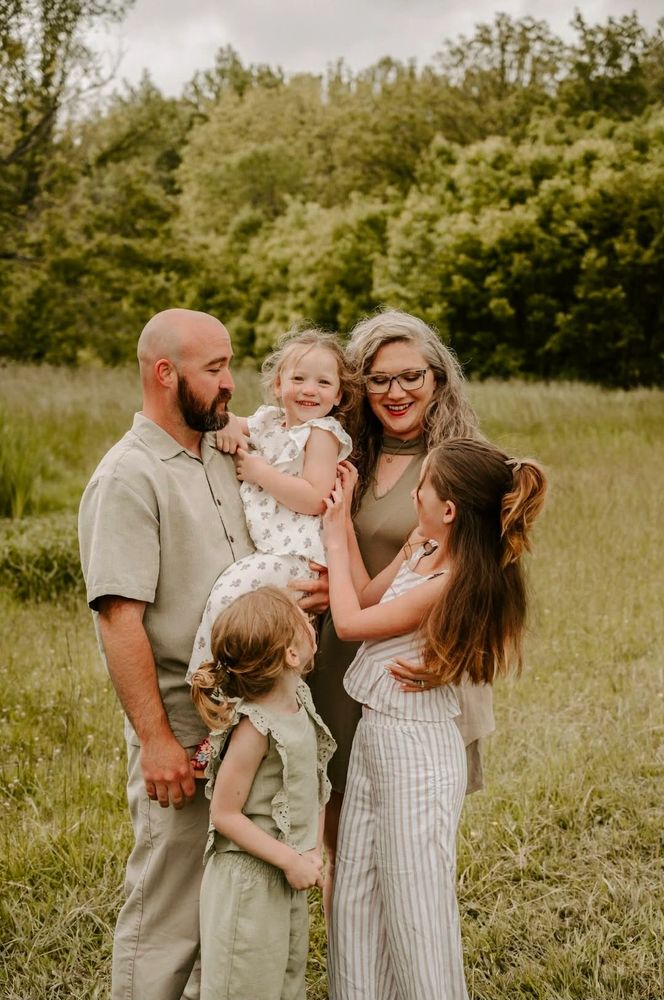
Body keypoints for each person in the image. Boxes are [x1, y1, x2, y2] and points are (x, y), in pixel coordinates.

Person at [78, 309, 327, 1000]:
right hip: (182, 722)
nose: (231, 383)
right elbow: (119, 621)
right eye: (215, 370)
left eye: (230, 366)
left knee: (224, 907)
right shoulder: (128, 477)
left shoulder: (219, 447)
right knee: (169, 906)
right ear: (166, 374)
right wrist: (156, 740)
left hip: (246, 716)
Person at [322, 438, 547, 1000]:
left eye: (423, 484)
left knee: (414, 904)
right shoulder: (425, 549)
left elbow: (349, 626)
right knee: (357, 889)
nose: (413, 491)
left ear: (448, 509)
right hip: (378, 733)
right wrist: (344, 521)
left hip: (418, 754)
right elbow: (369, 599)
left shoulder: (452, 582)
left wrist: (327, 539)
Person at [306, 309, 494, 916]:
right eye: (379, 380)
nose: (396, 393)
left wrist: (455, 655)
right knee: (345, 845)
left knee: (410, 848)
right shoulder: (337, 453)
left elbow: (491, 577)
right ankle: (355, 966)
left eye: (410, 376)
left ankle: (416, 958)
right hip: (336, 660)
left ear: (438, 379)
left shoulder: (459, 464)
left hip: (417, 668)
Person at [190, 586, 336, 1000]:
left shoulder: (300, 702)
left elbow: (313, 782)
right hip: (249, 883)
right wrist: (292, 859)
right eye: (303, 621)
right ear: (291, 654)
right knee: (246, 986)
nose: (312, 625)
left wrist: (310, 852)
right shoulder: (254, 727)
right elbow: (225, 814)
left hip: (287, 874)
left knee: (285, 981)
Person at [187, 328, 356, 683]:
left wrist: (260, 472)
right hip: (270, 551)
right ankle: (231, 685)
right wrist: (231, 423)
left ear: (339, 395)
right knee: (261, 632)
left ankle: (206, 678)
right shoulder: (267, 420)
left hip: (297, 555)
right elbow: (232, 421)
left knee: (230, 592)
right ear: (279, 385)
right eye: (298, 378)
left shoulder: (321, 434)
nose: (310, 389)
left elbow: (314, 498)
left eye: (323, 383)